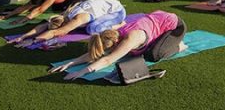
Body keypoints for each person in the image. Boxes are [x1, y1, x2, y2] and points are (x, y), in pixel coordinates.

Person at [49, 11, 187, 80]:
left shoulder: (130, 38)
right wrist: (71, 63)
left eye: (110, 49)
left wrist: (81, 72)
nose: (108, 52)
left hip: (174, 26)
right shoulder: (111, 34)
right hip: (156, 20)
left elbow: (108, 59)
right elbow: (98, 53)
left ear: (115, 43)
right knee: (136, 53)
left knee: (153, 55)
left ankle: (178, 45)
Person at [7, 0, 127, 48]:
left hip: (118, 12)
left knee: (92, 29)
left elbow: (56, 32)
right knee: (87, 27)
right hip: (105, 7)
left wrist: (33, 40)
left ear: (64, 24)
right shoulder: (64, 16)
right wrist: (22, 37)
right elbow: (44, 25)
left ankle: (119, 24)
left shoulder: (77, 18)